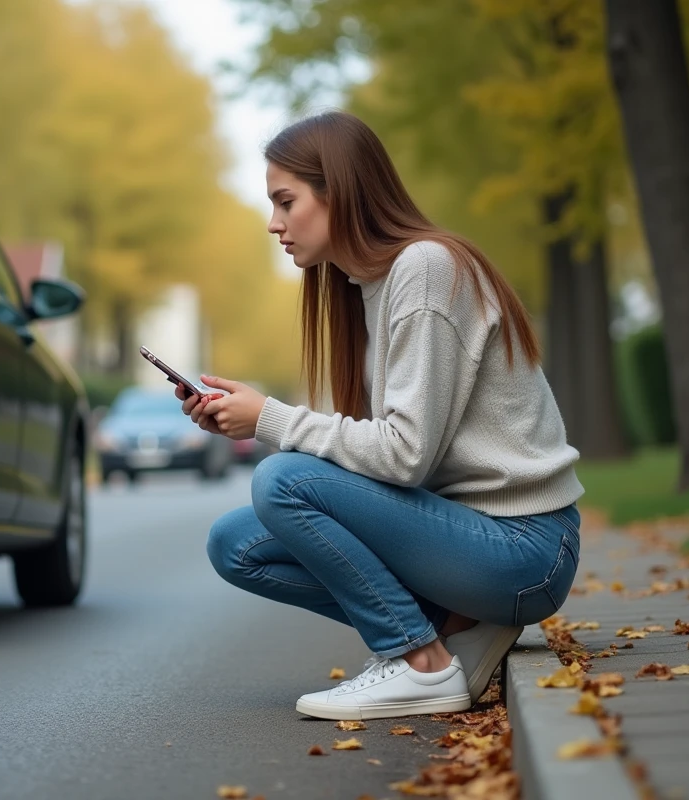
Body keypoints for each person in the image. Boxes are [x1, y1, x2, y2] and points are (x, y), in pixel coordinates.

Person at [176, 111, 583, 722]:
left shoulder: (426, 269)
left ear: (338, 191)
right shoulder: (366, 285)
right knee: (235, 544)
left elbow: (404, 455)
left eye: (286, 201)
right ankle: (455, 627)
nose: (273, 223)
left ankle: (420, 662)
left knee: (281, 481)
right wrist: (253, 416)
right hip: (468, 542)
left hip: (524, 548)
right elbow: (385, 466)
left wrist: (271, 419)